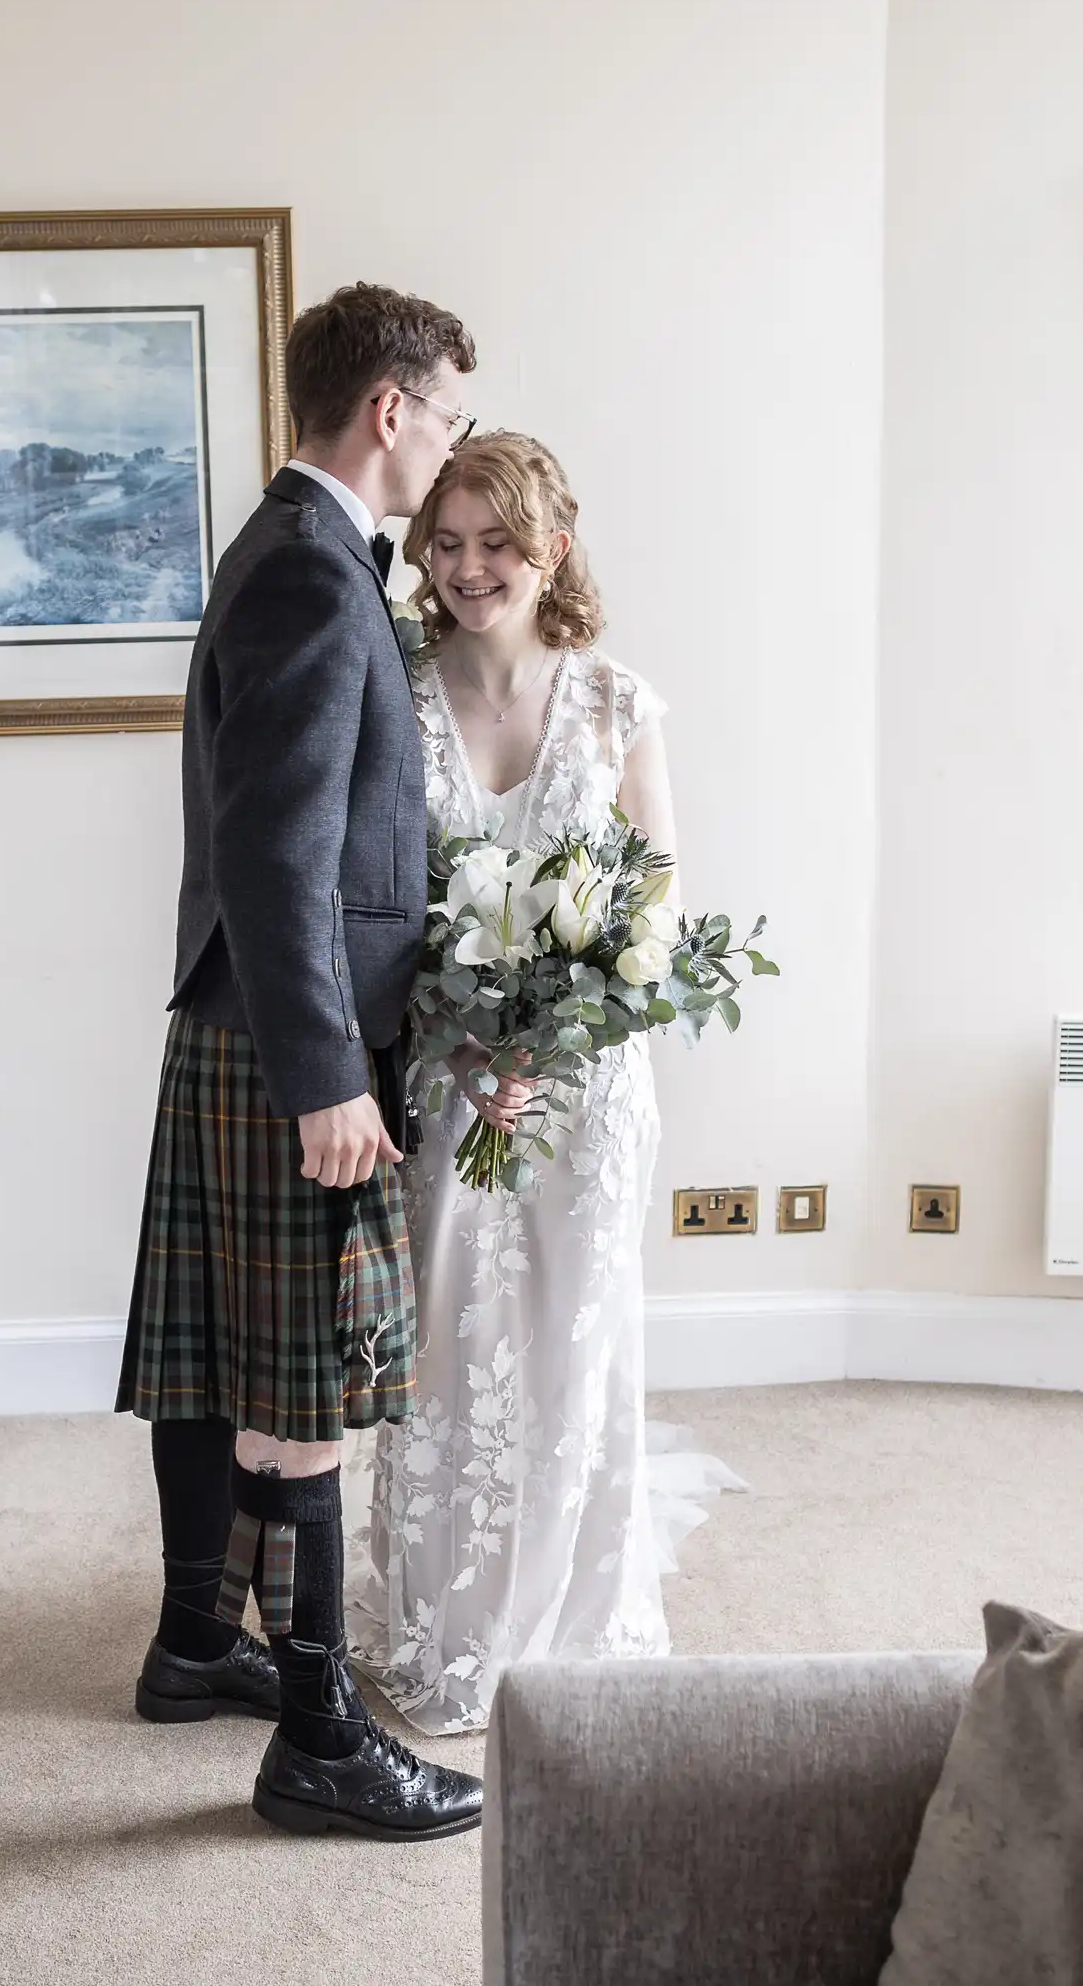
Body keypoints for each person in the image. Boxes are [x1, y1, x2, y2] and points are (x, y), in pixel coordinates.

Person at [115, 283, 484, 1839]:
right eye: (450, 414)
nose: (454, 441)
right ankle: (322, 1737)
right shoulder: (319, 578)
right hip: (291, 1042)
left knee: (234, 1359)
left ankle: (203, 1640)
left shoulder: (294, 550)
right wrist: (332, 1072)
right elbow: (276, 856)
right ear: (391, 411)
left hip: (249, 1025)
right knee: (307, 1384)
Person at [348, 432, 745, 1733]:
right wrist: (468, 1041)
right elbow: (374, 907)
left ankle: (575, 1617)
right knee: (455, 1348)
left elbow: (656, 897)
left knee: (577, 1336)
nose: (468, 568)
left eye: (496, 544)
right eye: (446, 544)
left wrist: (549, 1035)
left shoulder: (618, 704)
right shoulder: (391, 694)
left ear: (551, 547)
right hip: (449, 1078)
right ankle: (447, 1620)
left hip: (586, 1085)